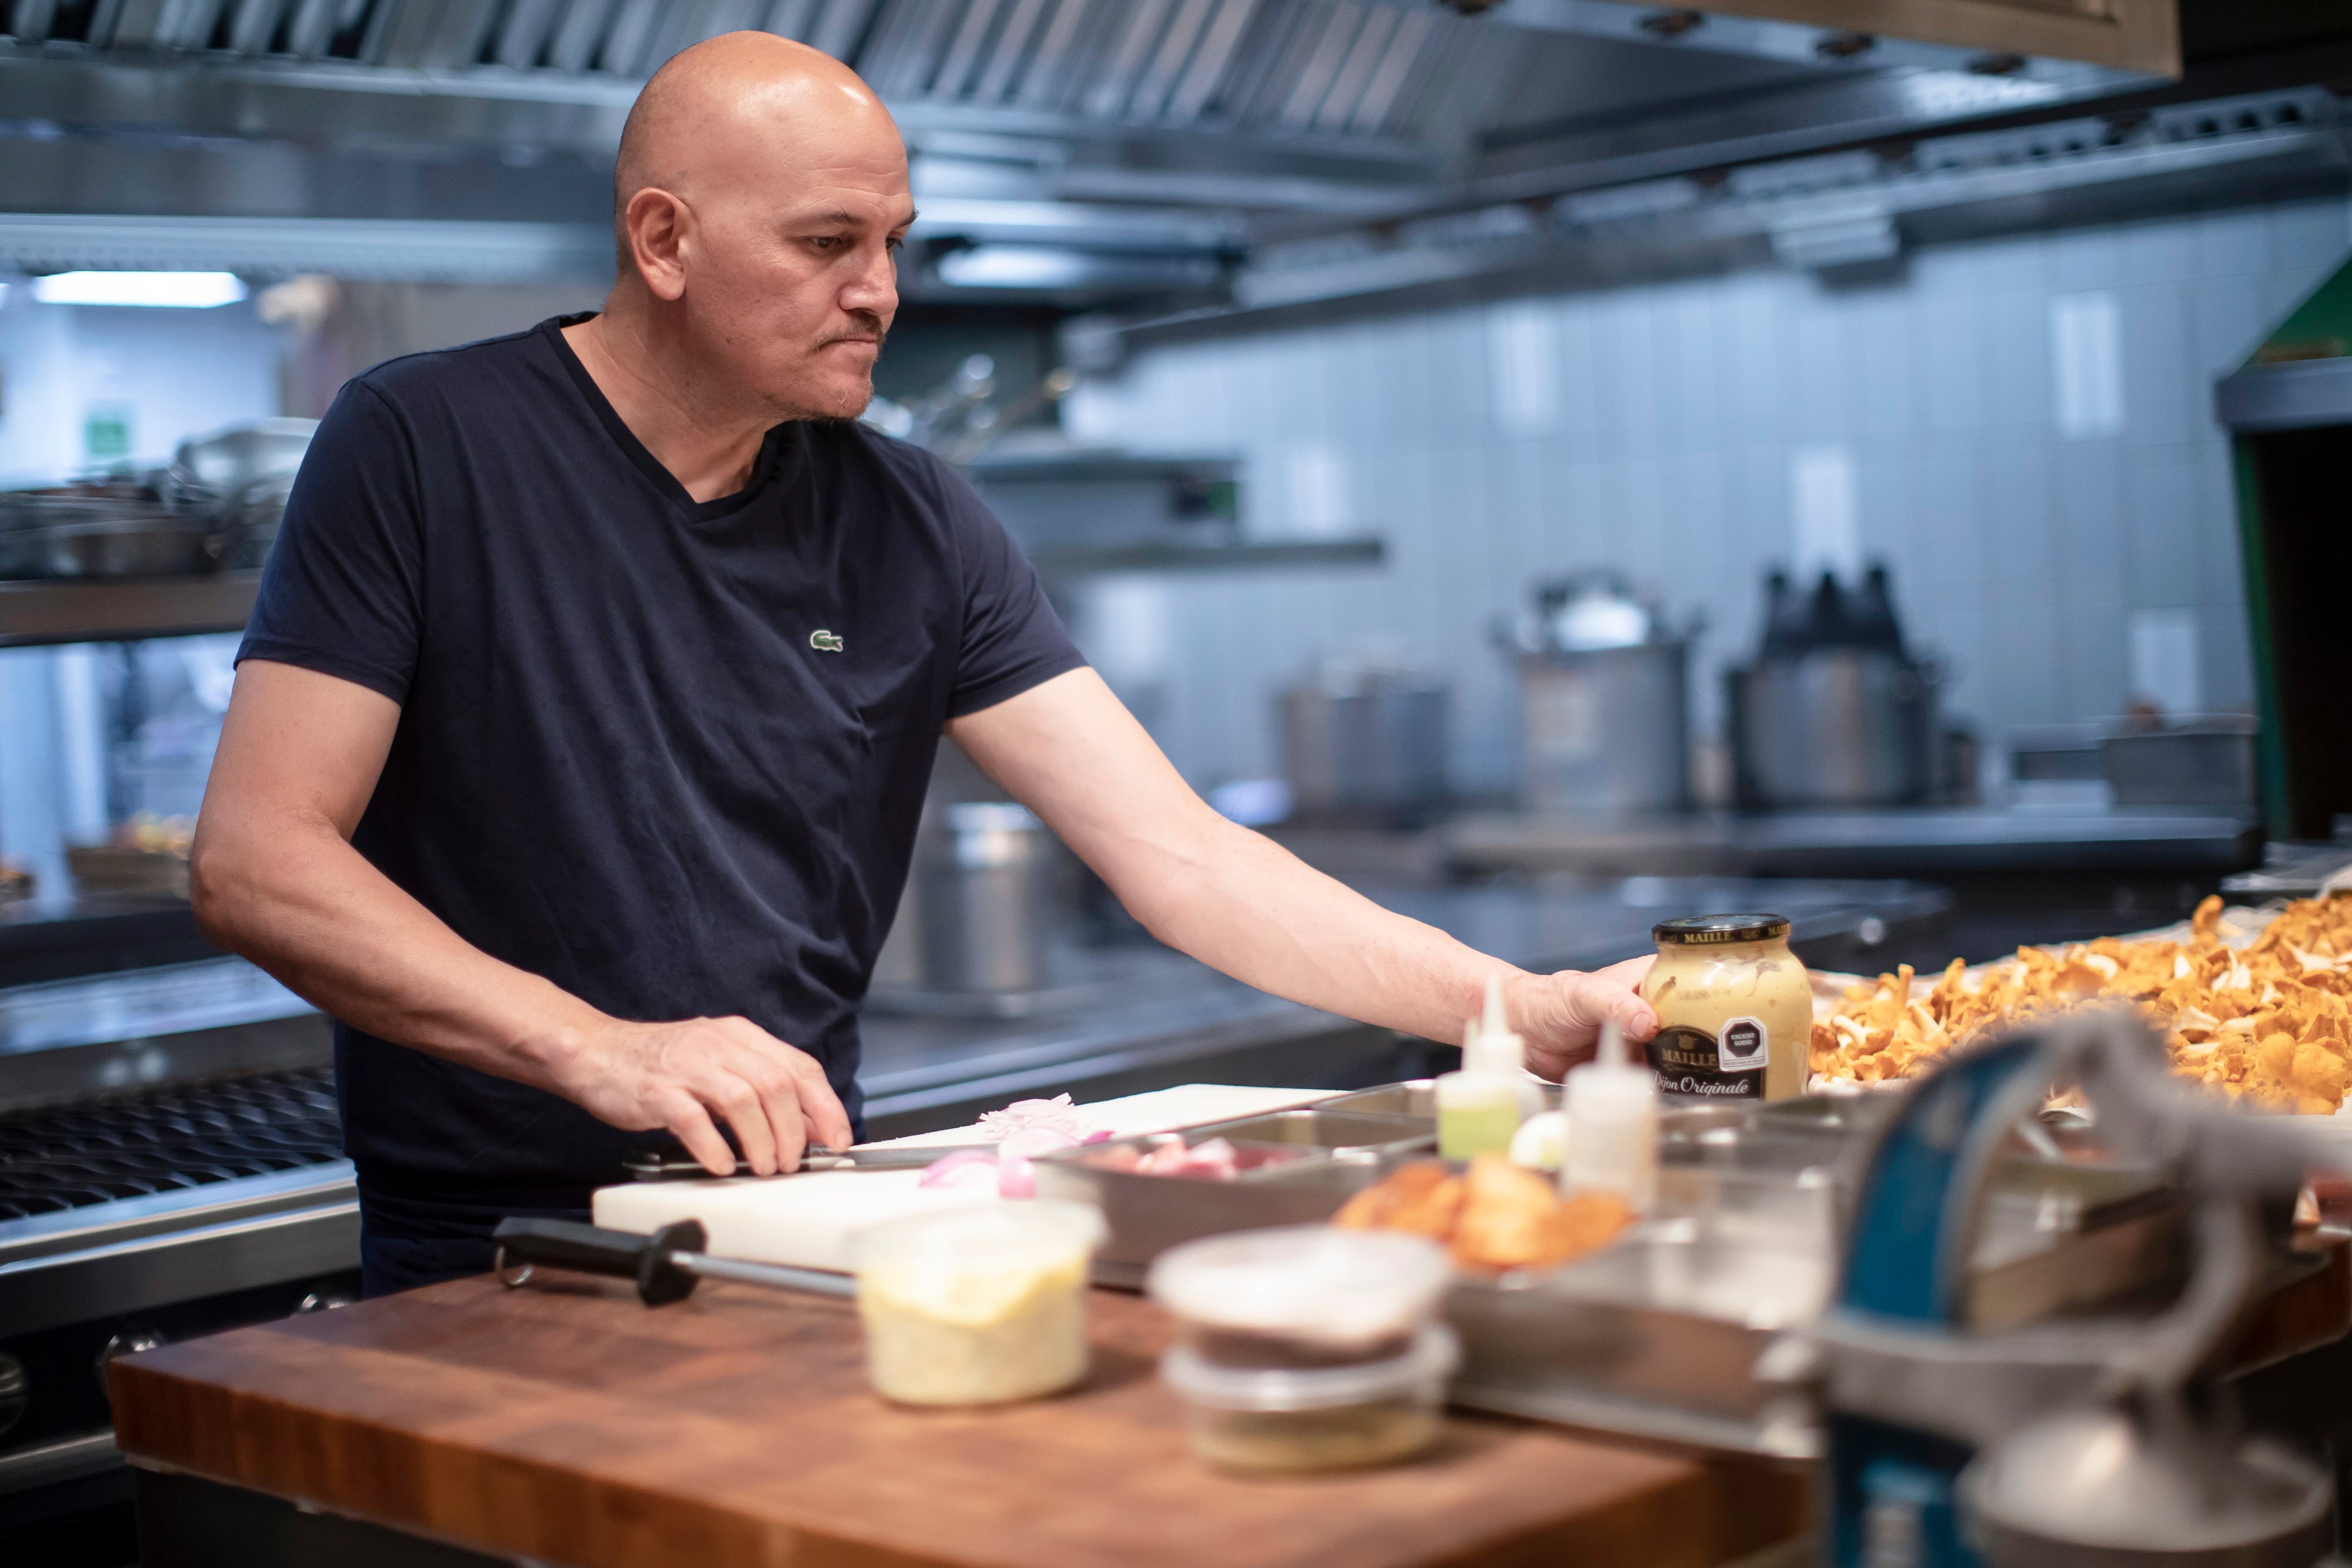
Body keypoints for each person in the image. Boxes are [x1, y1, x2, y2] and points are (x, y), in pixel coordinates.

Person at [190, 31, 1658, 1297]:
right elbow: (259, 861)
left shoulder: (911, 513)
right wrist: (604, 1050)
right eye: (828, 244)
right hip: (494, 1244)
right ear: (663, 240)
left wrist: (1510, 1008)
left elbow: (1181, 856)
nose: (881, 290)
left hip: (806, 1210)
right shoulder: (422, 443)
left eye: (894, 242)